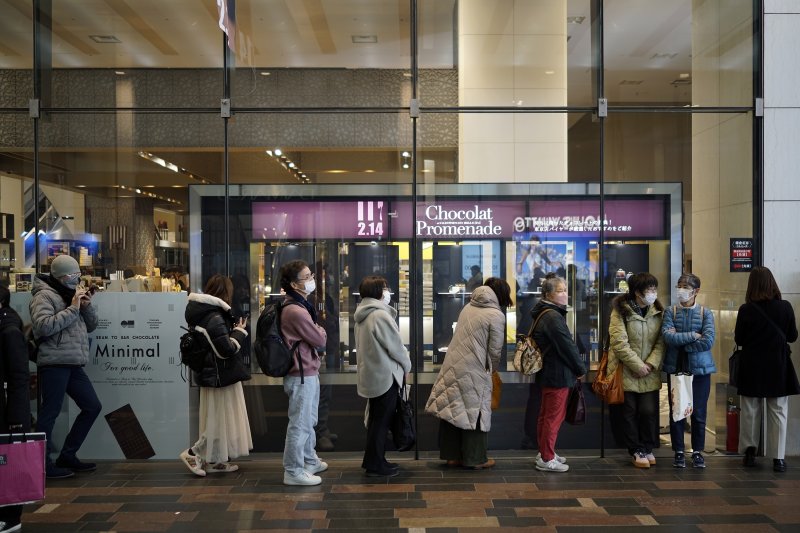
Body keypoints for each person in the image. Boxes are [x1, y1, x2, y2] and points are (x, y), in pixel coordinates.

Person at [425, 277, 511, 470]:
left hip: (453, 364)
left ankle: (452, 456)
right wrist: (492, 369)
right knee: (475, 410)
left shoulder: (468, 307)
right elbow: (495, 350)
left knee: (452, 408)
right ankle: (475, 458)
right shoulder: (496, 315)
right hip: (475, 368)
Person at [30, 254, 101, 479]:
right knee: (50, 412)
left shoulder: (72, 294)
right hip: (54, 362)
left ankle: (67, 455)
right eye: (71, 276)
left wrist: (85, 306)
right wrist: (73, 308)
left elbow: (92, 326)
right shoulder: (43, 295)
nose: (75, 280)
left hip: (73, 362)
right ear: (59, 277)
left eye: (78, 275)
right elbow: (43, 327)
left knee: (92, 406)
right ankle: (42, 464)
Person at [179, 274, 252, 476]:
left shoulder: (204, 314)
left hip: (214, 374)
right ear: (226, 293)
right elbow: (225, 350)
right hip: (220, 376)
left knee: (218, 419)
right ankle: (193, 453)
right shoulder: (215, 318)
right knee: (218, 420)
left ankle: (214, 460)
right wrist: (239, 332)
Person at [734, 266, 800, 472]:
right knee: (778, 410)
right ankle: (778, 458)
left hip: (752, 365)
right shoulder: (785, 307)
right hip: (777, 365)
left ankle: (750, 453)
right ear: (772, 283)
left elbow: (739, 339)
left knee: (750, 411)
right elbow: (792, 336)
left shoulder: (746, 310)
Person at [528, 275, 587, 473]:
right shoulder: (552, 316)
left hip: (549, 372)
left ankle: (546, 452)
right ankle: (547, 458)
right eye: (560, 291)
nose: (564, 294)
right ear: (548, 294)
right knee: (552, 417)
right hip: (557, 374)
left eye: (565, 290)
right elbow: (567, 346)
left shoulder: (545, 313)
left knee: (546, 415)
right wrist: (580, 369)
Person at [355, 275, 412, 477]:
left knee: (376, 421)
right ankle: (375, 464)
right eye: (385, 288)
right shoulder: (380, 315)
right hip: (386, 377)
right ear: (378, 292)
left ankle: (376, 459)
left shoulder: (362, 314)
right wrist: (407, 365)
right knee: (381, 423)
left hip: (372, 375)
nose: (388, 292)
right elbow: (396, 347)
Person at [278, 260, 329, 486]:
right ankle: (293, 470)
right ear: (293, 284)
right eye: (306, 277)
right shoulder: (295, 311)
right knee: (300, 423)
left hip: (306, 371)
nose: (311, 281)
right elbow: (319, 339)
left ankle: (309, 460)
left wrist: (317, 331)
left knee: (309, 420)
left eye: (311, 276)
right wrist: (320, 331)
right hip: (300, 374)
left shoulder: (299, 306)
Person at [608, 272, 665, 468]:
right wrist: (637, 365)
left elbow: (661, 342)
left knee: (649, 411)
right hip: (626, 369)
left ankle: (648, 447)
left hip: (650, 370)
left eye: (654, 289)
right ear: (637, 292)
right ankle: (636, 449)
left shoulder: (658, 311)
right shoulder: (620, 311)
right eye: (649, 289)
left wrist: (649, 364)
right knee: (629, 411)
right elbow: (619, 342)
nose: (653, 293)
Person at [662, 273, 716, 469]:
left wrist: (682, 343)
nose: (681, 290)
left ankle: (697, 452)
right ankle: (678, 451)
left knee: (699, 413)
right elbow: (668, 337)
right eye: (679, 285)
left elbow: (708, 341)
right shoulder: (670, 311)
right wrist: (694, 335)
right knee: (677, 411)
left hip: (700, 370)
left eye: (685, 286)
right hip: (676, 368)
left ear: (696, 291)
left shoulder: (705, 313)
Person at [1, 285, 31, 532]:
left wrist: (18, 418)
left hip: (7, 410)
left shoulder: (9, 330)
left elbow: (19, 377)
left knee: (8, 462)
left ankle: (10, 516)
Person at [307, 261, 339, 452]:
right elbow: (322, 324)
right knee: (319, 394)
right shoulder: (312, 299)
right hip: (318, 351)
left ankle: (322, 428)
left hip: (329, 349)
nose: (328, 278)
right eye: (324, 274)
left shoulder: (325, 297)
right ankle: (319, 433)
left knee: (326, 393)